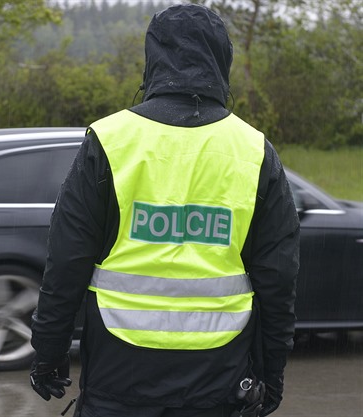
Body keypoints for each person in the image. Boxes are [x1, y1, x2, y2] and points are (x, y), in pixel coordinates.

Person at [30, 4, 299, 417]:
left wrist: (49, 352)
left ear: (153, 57)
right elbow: (277, 279)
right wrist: (272, 373)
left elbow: (67, 261)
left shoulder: (108, 141)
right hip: (218, 380)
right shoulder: (254, 151)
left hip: (119, 378)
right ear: (221, 59)